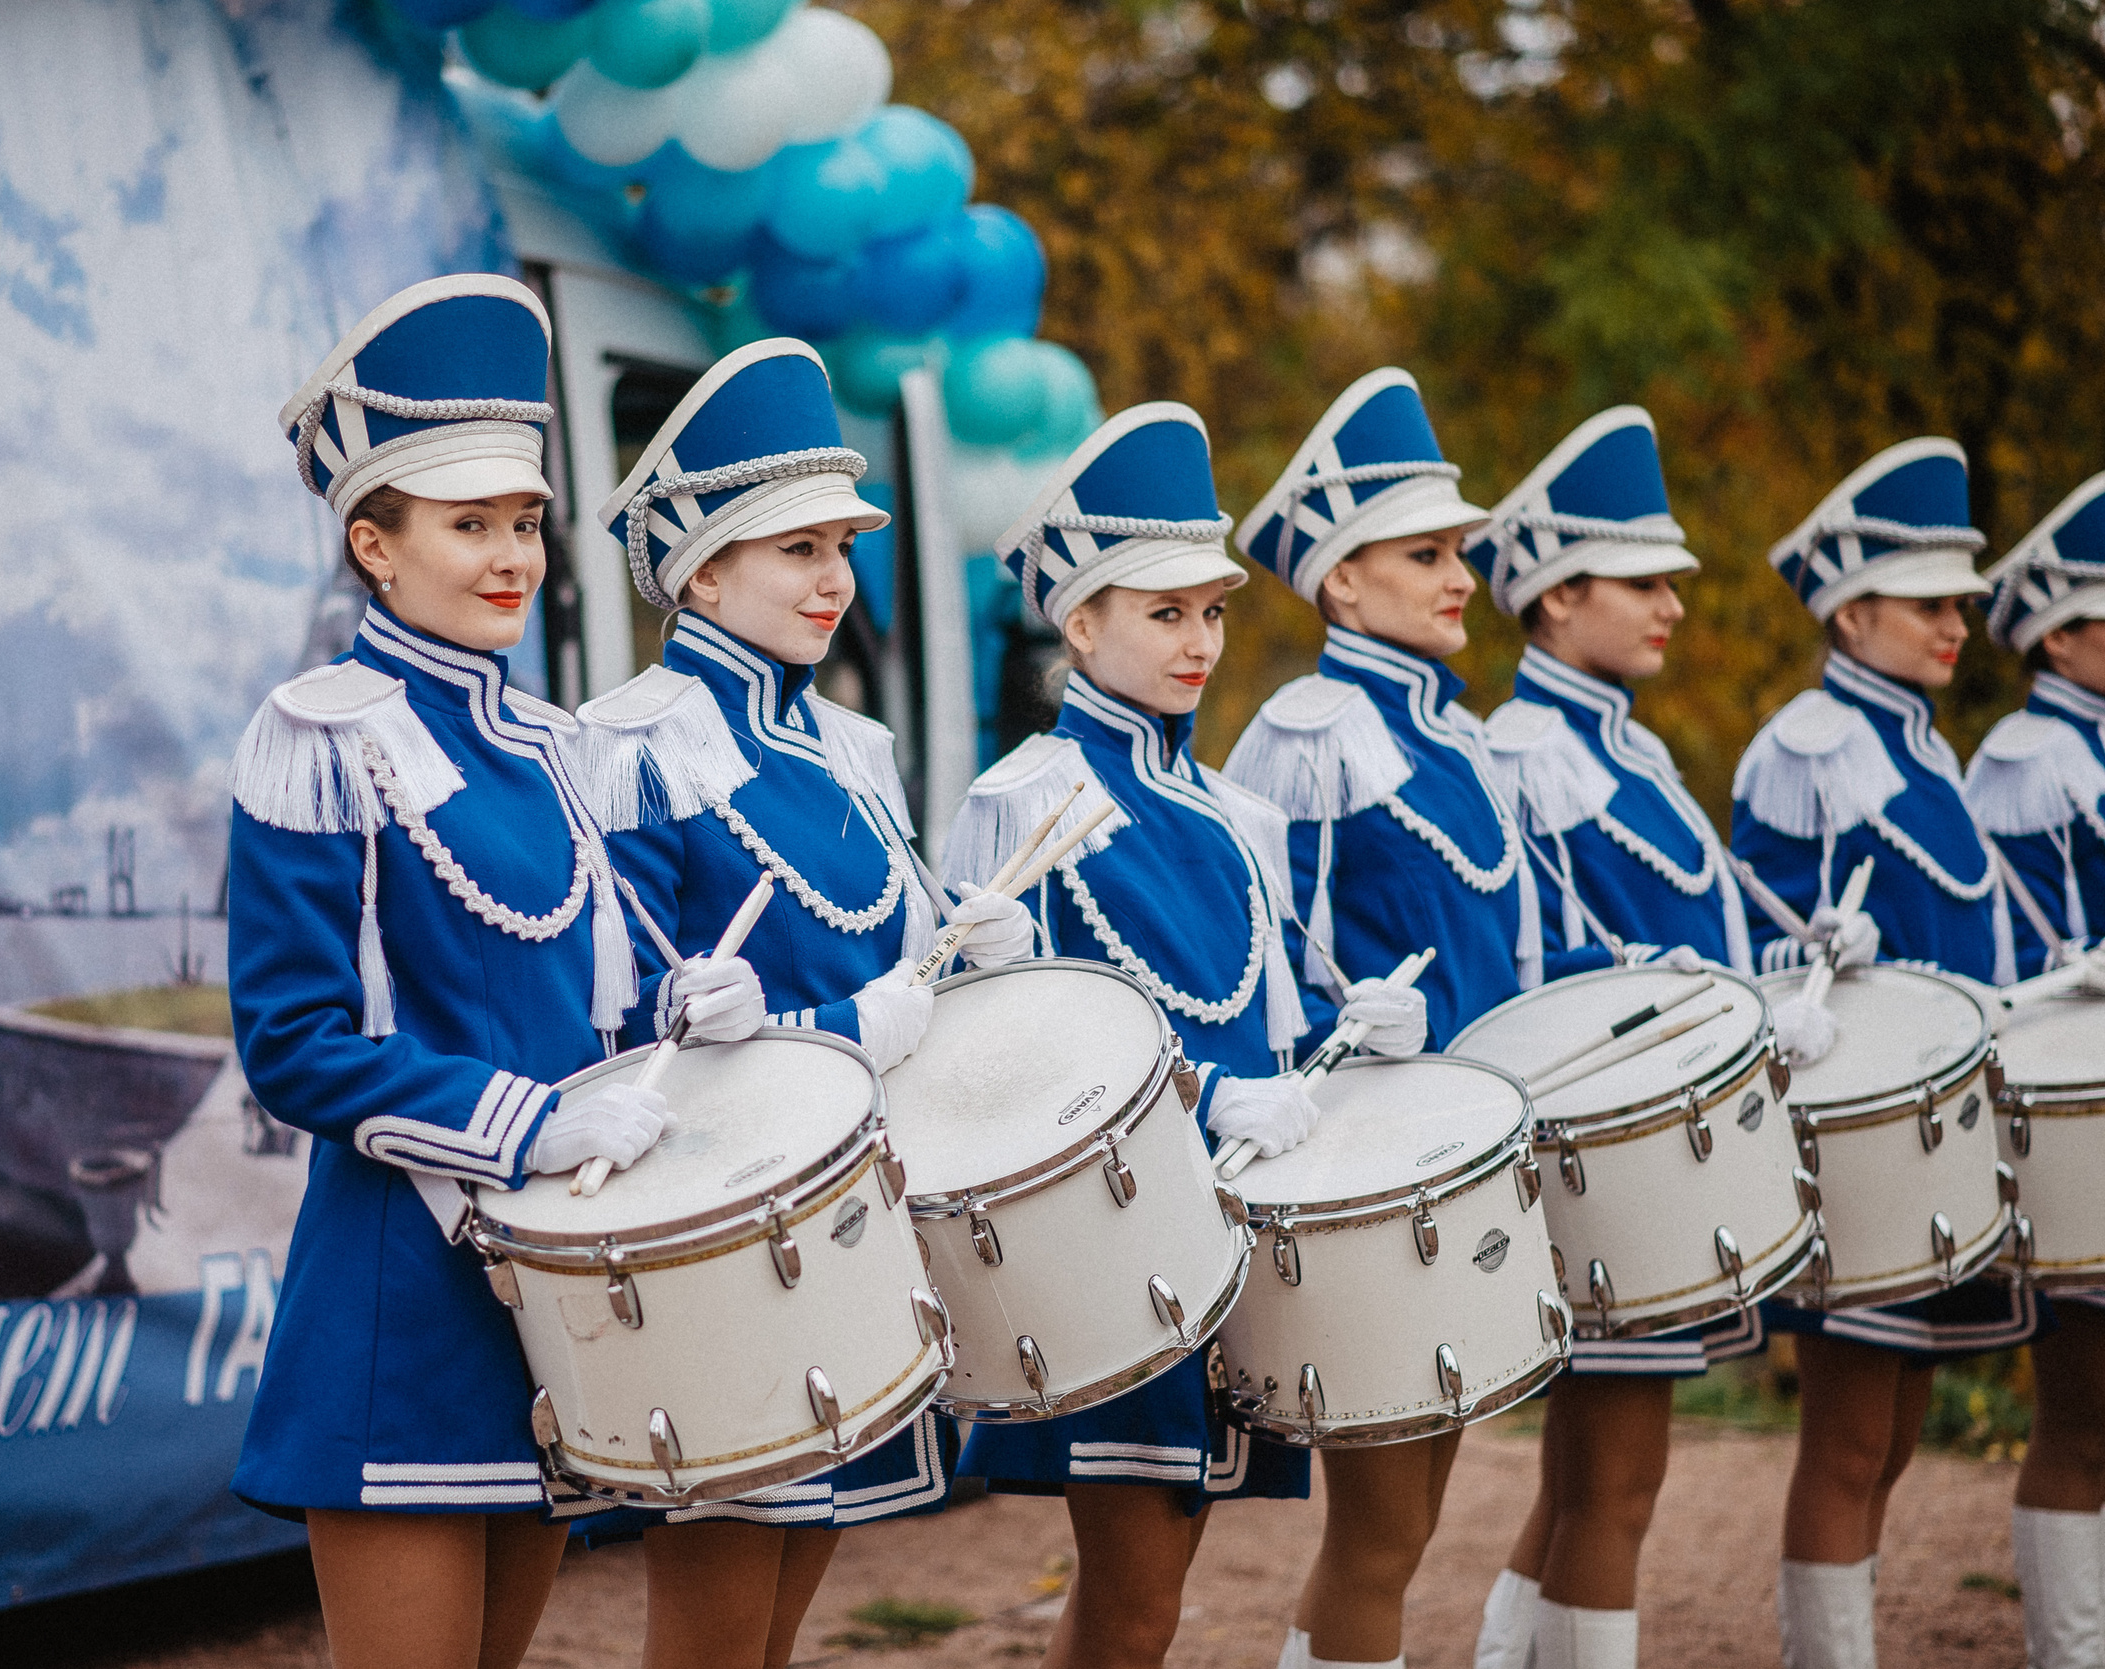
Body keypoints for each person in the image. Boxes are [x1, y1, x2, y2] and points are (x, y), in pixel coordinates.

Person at [224, 276, 768, 1669]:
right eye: (469, 525)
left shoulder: (551, 743)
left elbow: (583, 1008)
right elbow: (293, 1043)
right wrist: (530, 1120)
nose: (512, 553)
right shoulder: (319, 735)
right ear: (373, 542)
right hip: (402, 1292)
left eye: (523, 520)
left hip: (560, 1295)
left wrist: (687, 1011)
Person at [571, 336, 1033, 1669]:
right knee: (711, 1634)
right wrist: (832, 1035)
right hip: (717, 1230)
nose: (837, 579)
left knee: (778, 1630)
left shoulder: (857, 745)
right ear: (702, 566)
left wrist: (964, 939)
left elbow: (891, 955)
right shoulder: (630, 743)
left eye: (842, 547)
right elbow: (618, 1034)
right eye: (798, 550)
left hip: (856, 1221)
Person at [945, 401, 1423, 1669]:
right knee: (1134, 1593)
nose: (1199, 639)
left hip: (1231, 1227)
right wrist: (1206, 1094)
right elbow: (1001, 1057)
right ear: (1081, 621)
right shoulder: (1023, 799)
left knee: (1158, 1582)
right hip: (1106, 1242)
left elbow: (1269, 1019)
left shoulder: (1233, 813)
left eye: (1210, 611)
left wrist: (1349, 1028)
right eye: (1162, 613)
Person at [1223, 368, 1606, 1669]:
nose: (1463, 573)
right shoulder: (1311, 729)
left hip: (1462, 1162)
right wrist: (1343, 1018)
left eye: (1458, 550)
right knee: (1381, 1533)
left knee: (1416, 1519)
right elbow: (1264, 942)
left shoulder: (1455, 739)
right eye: (1427, 553)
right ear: (1342, 582)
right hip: (1371, 1177)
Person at [1459, 407, 1758, 1669]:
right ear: (1554, 593)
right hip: (1600, 1145)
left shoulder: (1619, 745)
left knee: (1590, 1488)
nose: (1673, 607)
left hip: (1649, 1144)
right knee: (1615, 1486)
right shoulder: (1528, 746)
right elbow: (1543, 965)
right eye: (1642, 582)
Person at [1733, 436, 2035, 1669]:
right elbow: (1764, 950)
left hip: (1939, 1131)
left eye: (1960, 602)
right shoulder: (1810, 744)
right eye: (1926, 603)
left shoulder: (1917, 745)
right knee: (1851, 1440)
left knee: (1898, 1432)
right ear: (1852, 610)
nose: (1955, 624)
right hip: (1859, 1139)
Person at [1968, 471, 2105, 1669]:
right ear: (2060, 632)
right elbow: (2036, 960)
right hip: (2080, 1120)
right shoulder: (2028, 755)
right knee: (2084, 1412)